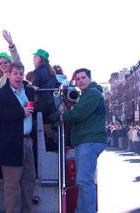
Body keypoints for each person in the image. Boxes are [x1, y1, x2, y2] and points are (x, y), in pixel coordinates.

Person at [59, 68, 107, 213]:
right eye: (78, 79)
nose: (80, 81)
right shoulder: (87, 94)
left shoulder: (92, 93)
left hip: (89, 141)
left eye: (83, 78)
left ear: (90, 78)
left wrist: (63, 114)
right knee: (82, 181)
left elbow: (79, 113)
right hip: (86, 141)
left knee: (85, 181)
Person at [0, 62, 35, 213]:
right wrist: (21, 113)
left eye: (21, 74)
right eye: (15, 73)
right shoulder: (1, 95)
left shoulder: (27, 91)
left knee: (28, 183)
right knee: (12, 186)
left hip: (27, 141)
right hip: (11, 144)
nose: (18, 77)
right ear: (8, 75)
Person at [32, 49, 59, 123]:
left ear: (42, 59)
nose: (33, 58)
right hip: (52, 107)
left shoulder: (37, 71)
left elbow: (34, 89)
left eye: (36, 56)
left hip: (40, 108)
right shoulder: (52, 72)